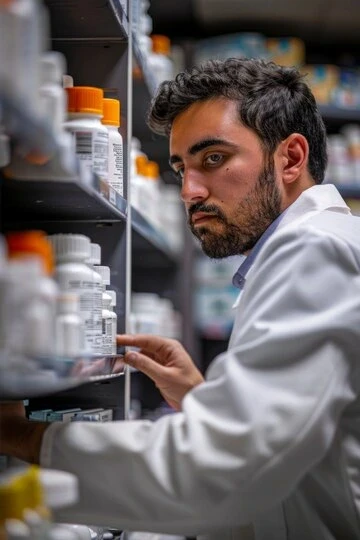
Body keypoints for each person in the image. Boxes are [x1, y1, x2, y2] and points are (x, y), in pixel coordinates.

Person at [1, 57, 360, 540]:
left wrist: (24, 437)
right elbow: (302, 439)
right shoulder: (318, 244)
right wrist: (202, 399)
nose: (189, 191)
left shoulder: (315, 247)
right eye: (181, 168)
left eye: (213, 158)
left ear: (291, 159)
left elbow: (226, 473)